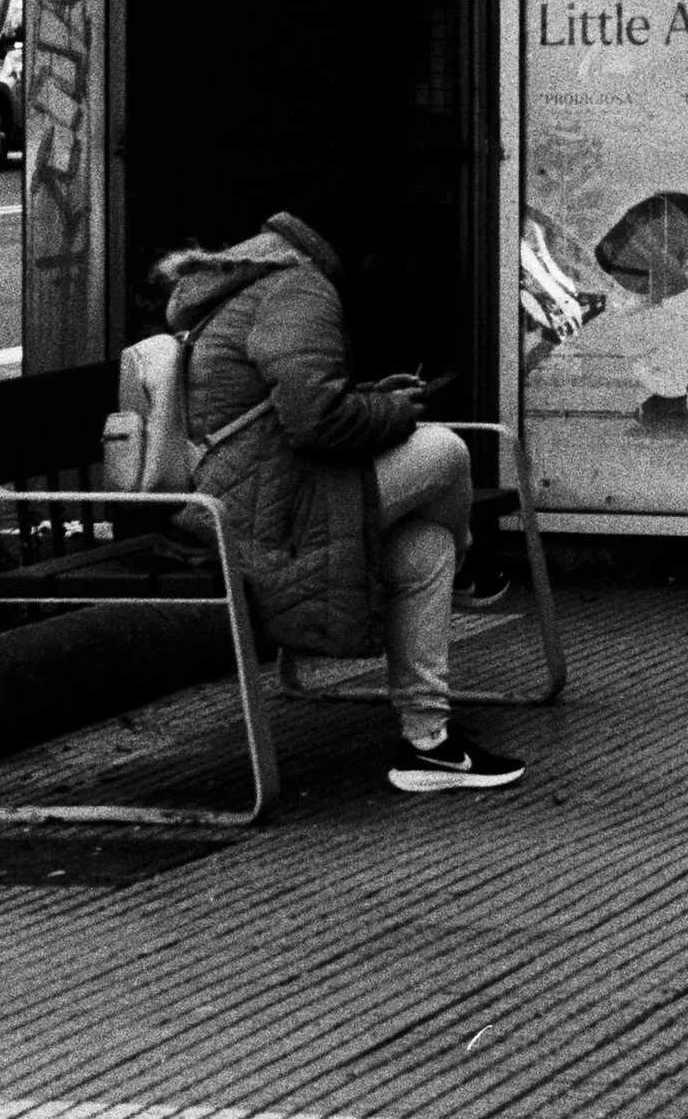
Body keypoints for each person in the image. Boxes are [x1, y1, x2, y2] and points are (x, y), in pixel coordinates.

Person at [161, 210, 525, 796]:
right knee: (446, 449)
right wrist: (395, 412)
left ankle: (427, 744)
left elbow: (287, 406)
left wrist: (371, 399)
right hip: (272, 515)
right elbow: (314, 423)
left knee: (425, 547)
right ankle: (471, 565)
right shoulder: (298, 289)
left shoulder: (247, 291)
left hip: (250, 500)